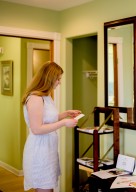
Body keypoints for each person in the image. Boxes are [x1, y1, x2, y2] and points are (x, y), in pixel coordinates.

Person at [21, 61, 81, 192]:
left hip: (48, 149)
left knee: (49, 188)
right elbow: (37, 129)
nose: (59, 82)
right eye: (58, 79)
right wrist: (64, 123)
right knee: (45, 188)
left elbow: (48, 119)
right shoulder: (35, 98)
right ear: (49, 78)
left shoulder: (46, 96)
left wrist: (65, 114)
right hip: (39, 151)